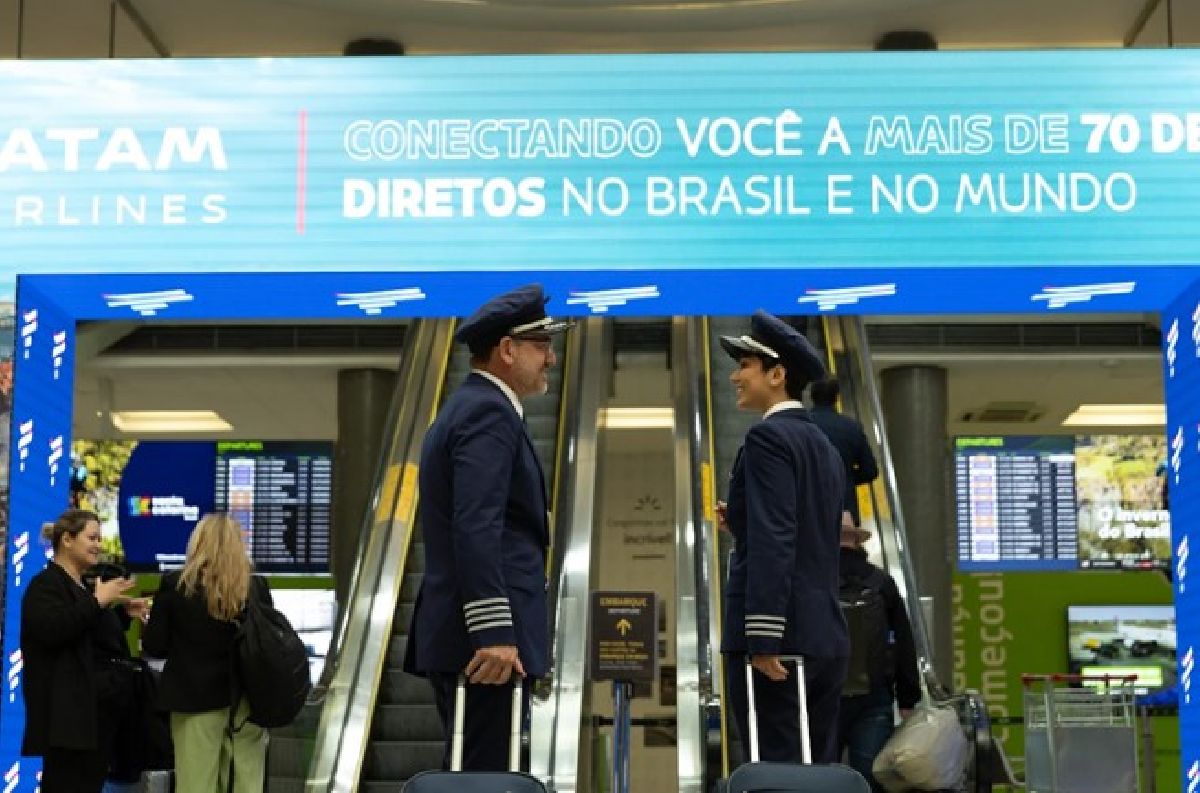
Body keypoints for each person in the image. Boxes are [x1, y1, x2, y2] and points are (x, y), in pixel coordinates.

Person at [403, 283, 571, 771]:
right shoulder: (488, 414)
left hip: (469, 635)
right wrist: (494, 630)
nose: (551, 360)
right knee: (482, 776)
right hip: (483, 645)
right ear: (507, 350)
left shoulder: (470, 409)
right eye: (542, 347)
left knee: (474, 770)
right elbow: (477, 524)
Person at [717, 310, 849, 765]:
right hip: (823, 634)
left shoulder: (768, 440)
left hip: (780, 640)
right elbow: (810, 529)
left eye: (745, 366)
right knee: (815, 769)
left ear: (777, 374)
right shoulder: (826, 449)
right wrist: (741, 519)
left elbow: (777, 536)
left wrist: (764, 637)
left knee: (774, 769)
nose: (735, 376)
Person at [142, 513, 269, 793]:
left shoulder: (176, 585)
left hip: (193, 701)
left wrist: (149, 622)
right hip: (246, 702)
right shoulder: (256, 587)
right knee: (246, 783)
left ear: (198, 543)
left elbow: (155, 646)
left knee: (196, 784)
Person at [20, 508, 145, 793]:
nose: (99, 545)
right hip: (68, 721)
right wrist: (97, 602)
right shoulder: (45, 586)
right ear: (67, 539)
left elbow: (89, 635)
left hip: (93, 717)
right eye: (92, 537)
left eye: (99, 538)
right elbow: (54, 630)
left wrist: (122, 615)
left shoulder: (81, 588)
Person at [836, 515, 920, 792]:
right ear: (857, 540)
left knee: (819, 777)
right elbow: (904, 641)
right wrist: (909, 696)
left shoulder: (809, 580)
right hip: (874, 697)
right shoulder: (881, 581)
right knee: (870, 779)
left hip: (821, 697)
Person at [808, 378, 878, 527]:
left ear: (812, 397)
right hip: (844, 511)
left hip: (808, 510)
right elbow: (870, 471)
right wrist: (847, 477)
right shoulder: (852, 427)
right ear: (836, 398)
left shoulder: (799, 425)